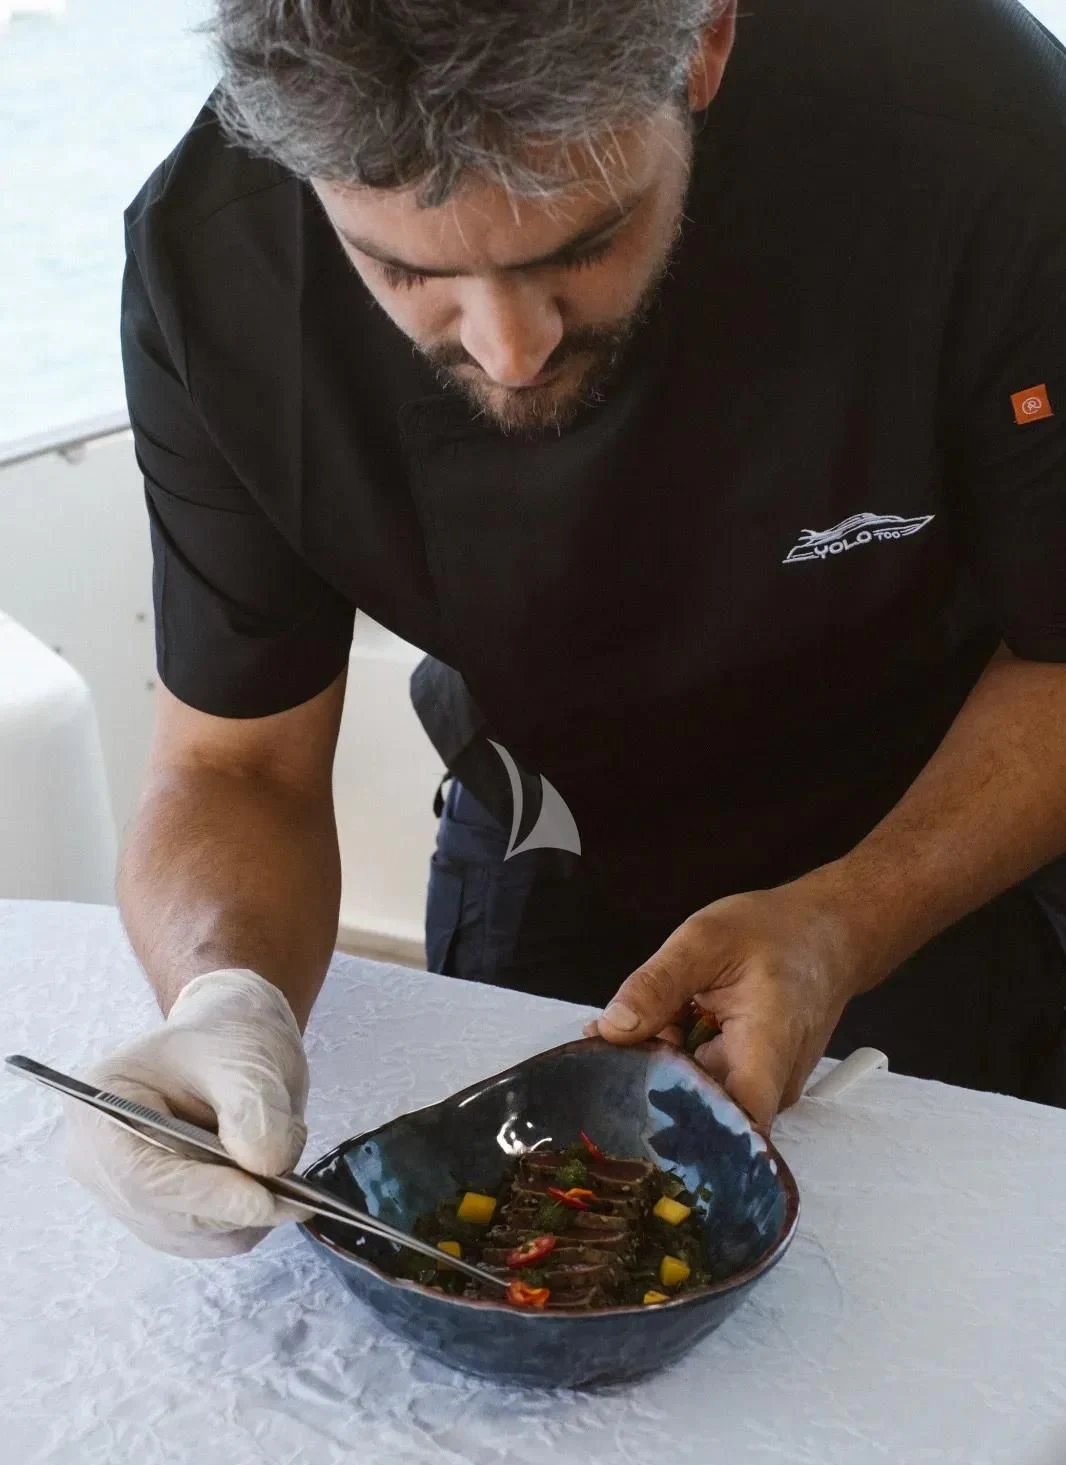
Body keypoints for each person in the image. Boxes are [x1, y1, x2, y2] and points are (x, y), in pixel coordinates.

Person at [67, 0, 1066, 1258]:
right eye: (409, 273)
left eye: (582, 244)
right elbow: (236, 764)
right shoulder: (216, 259)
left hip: (957, 813)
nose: (511, 352)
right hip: (552, 817)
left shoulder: (989, 146)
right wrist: (226, 996)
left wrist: (849, 916)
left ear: (705, 43)